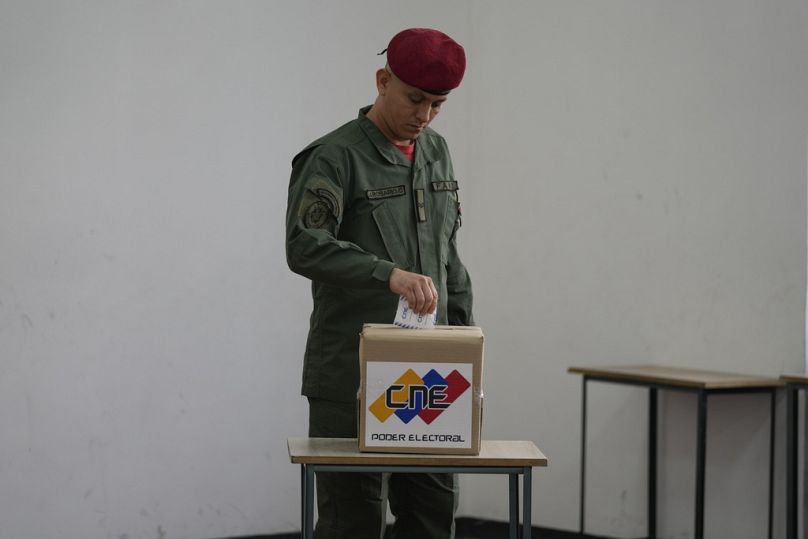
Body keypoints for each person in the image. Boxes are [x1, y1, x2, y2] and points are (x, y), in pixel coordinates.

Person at [285, 27, 474, 539]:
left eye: (438, 104)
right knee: (353, 521)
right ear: (382, 80)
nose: (424, 115)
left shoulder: (437, 152)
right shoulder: (334, 156)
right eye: (415, 99)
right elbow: (304, 246)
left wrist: (467, 348)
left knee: (433, 514)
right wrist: (386, 273)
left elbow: (449, 259)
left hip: (430, 376)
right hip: (353, 374)